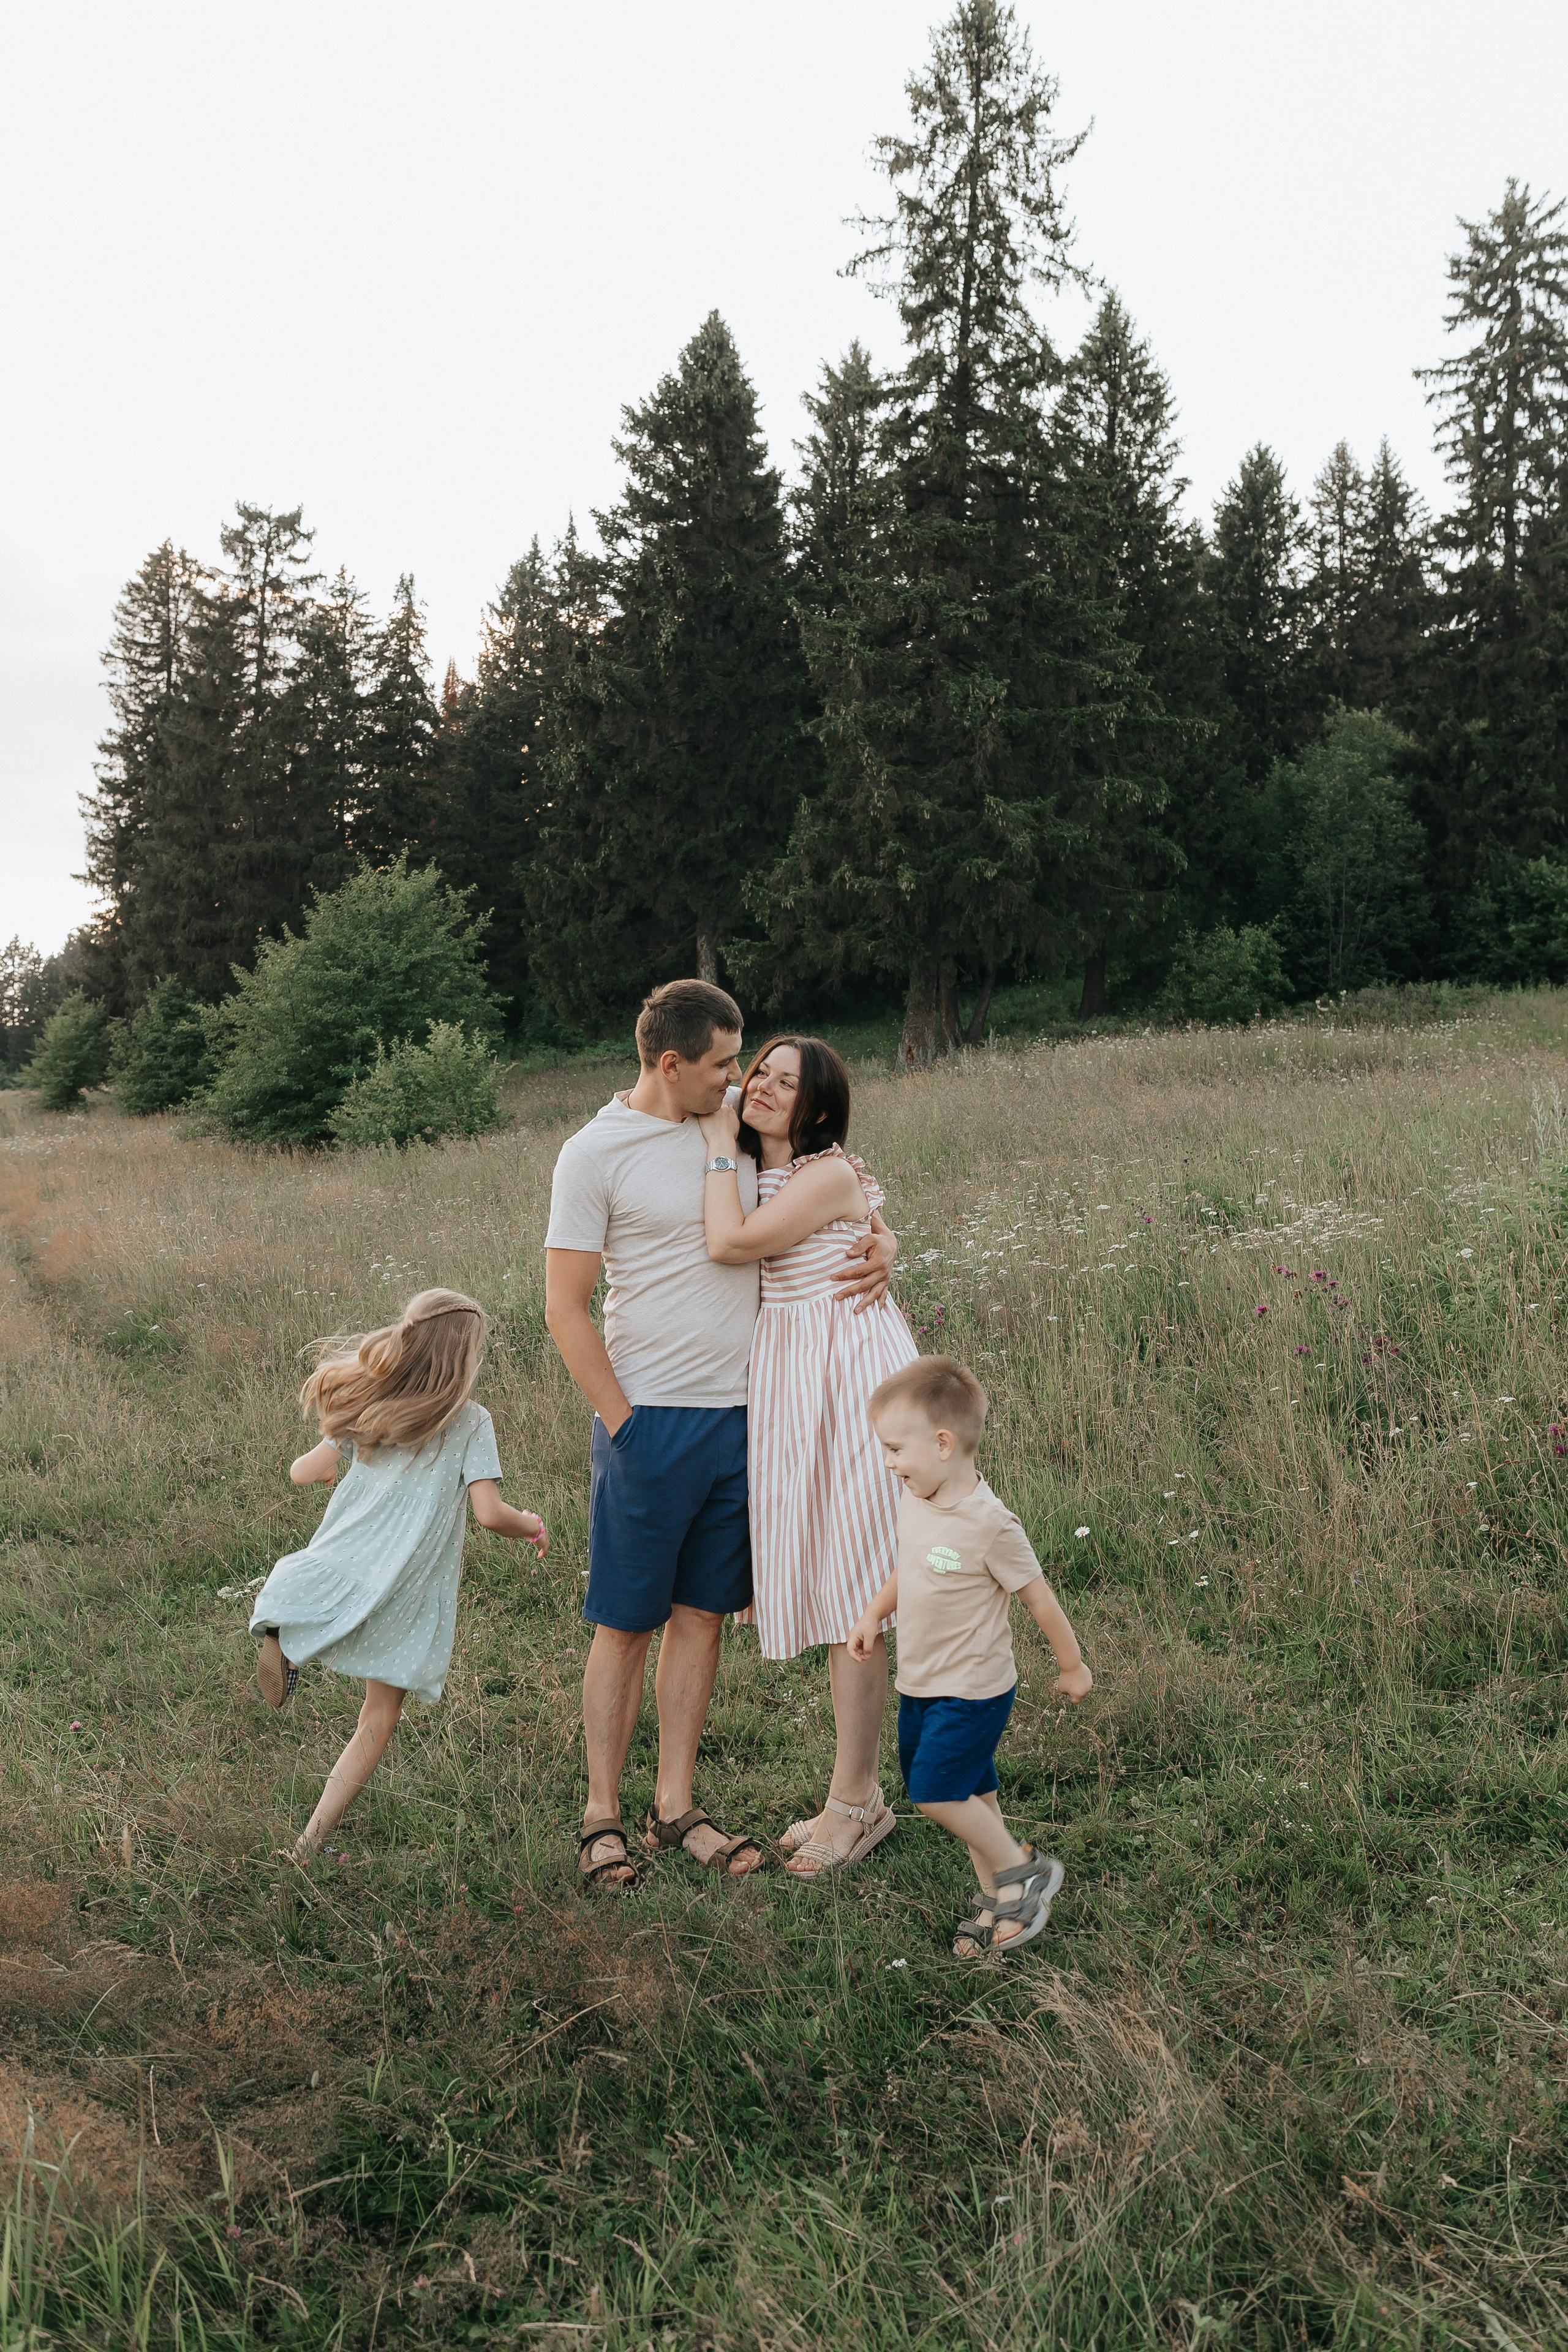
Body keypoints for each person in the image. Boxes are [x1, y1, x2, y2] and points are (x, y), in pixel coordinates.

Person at [543, 979, 897, 1892]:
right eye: (724, 1065)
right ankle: (600, 1816)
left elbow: (833, 1167)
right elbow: (563, 1307)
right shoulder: (594, 1154)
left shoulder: (734, 1116)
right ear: (673, 1065)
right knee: (625, 1623)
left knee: (701, 1617)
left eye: (745, 1066)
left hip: (747, 1418)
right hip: (650, 1419)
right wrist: (622, 1424)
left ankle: (676, 1806)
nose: (741, 1081)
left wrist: (884, 1236)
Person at [696, 1036, 916, 1878]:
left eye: (787, 1085)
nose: (762, 1088)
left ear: (816, 1110)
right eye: (761, 1073)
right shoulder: (755, 1160)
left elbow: (731, 1245)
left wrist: (721, 1150)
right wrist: (885, 1237)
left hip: (847, 1374)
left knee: (851, 1592)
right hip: (791, 1382)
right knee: (830, 1585)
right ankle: (852, 1797)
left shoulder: (821, 1170)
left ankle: (856, 1805)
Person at [248, 1289, 546, 1863]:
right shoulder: (472, 1421)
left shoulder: (370, 1401)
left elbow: (301, 1472)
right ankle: (308, 1844)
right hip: (408, 1584)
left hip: (349, 1558)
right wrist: (530, 1526)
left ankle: (285, 1632)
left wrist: (338, 1469)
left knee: (314, 1582)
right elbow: (489, 1513)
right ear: (465, 1359)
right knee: (378, 1718)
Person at [848, 1355, 1093, 1957]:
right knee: (975, 1798)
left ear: (941, 1442)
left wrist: (1072, 1666)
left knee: (934, 1792)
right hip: (922, 1682)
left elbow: (1039, 1600)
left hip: (974, 1689)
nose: (888, 1463)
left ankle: (1023, 1873)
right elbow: (908, 1569)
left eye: (894, 1449)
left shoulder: (990, 1524)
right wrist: (875, 1612)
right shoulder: (916, 1497)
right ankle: (994, 1899)